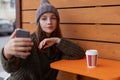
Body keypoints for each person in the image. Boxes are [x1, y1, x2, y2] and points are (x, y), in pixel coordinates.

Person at [0, 0, 85, 80]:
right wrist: (6, 53)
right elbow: (10, 68)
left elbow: (79, 53)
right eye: (44, 18)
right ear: (38, 22)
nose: (49, 22)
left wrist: (57, 40)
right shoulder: (30, 42)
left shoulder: (58, 46)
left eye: (53, 18)